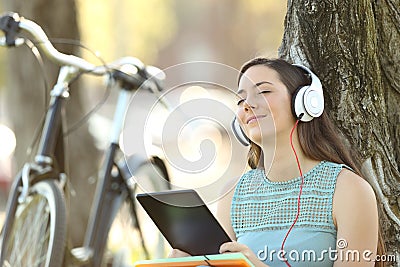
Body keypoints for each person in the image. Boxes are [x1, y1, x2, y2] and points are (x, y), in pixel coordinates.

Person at [170, 58, 385, 267]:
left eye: (263, 92)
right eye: (240, 100)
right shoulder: (233, 195)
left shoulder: (349, 190)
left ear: (305, 102)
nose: (247, 105)